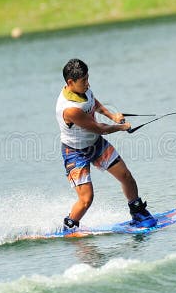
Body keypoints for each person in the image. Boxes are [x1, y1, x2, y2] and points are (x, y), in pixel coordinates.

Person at [56, 58, 156, 230]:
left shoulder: (83, 89)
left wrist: (113, 116)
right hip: (74, 152)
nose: (88, 84)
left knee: (126, 176)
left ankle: (138, 212)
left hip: (95, 144)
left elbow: (93, 102)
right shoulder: (70, 108)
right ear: (70, 82)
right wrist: (121, 127)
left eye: (88, 78)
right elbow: (99, 128)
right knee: (87, 199)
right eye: (84, 81)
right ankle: (70, 226)